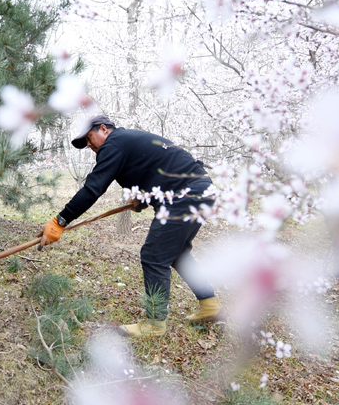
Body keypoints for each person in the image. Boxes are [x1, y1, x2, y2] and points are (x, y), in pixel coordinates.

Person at [39, 115, 222, 337]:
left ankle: (154, 324)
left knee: (154, 256)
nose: (89, 145)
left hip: (184, 195)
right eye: (86, 143)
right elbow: (157, 170)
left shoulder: (114, 143)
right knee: (177, 253)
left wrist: (61, 220)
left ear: (104, 129)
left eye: (89, 138)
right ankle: (210, 303)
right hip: (200, 190)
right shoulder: (128, 141)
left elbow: (93, 188)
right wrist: (144, 199)